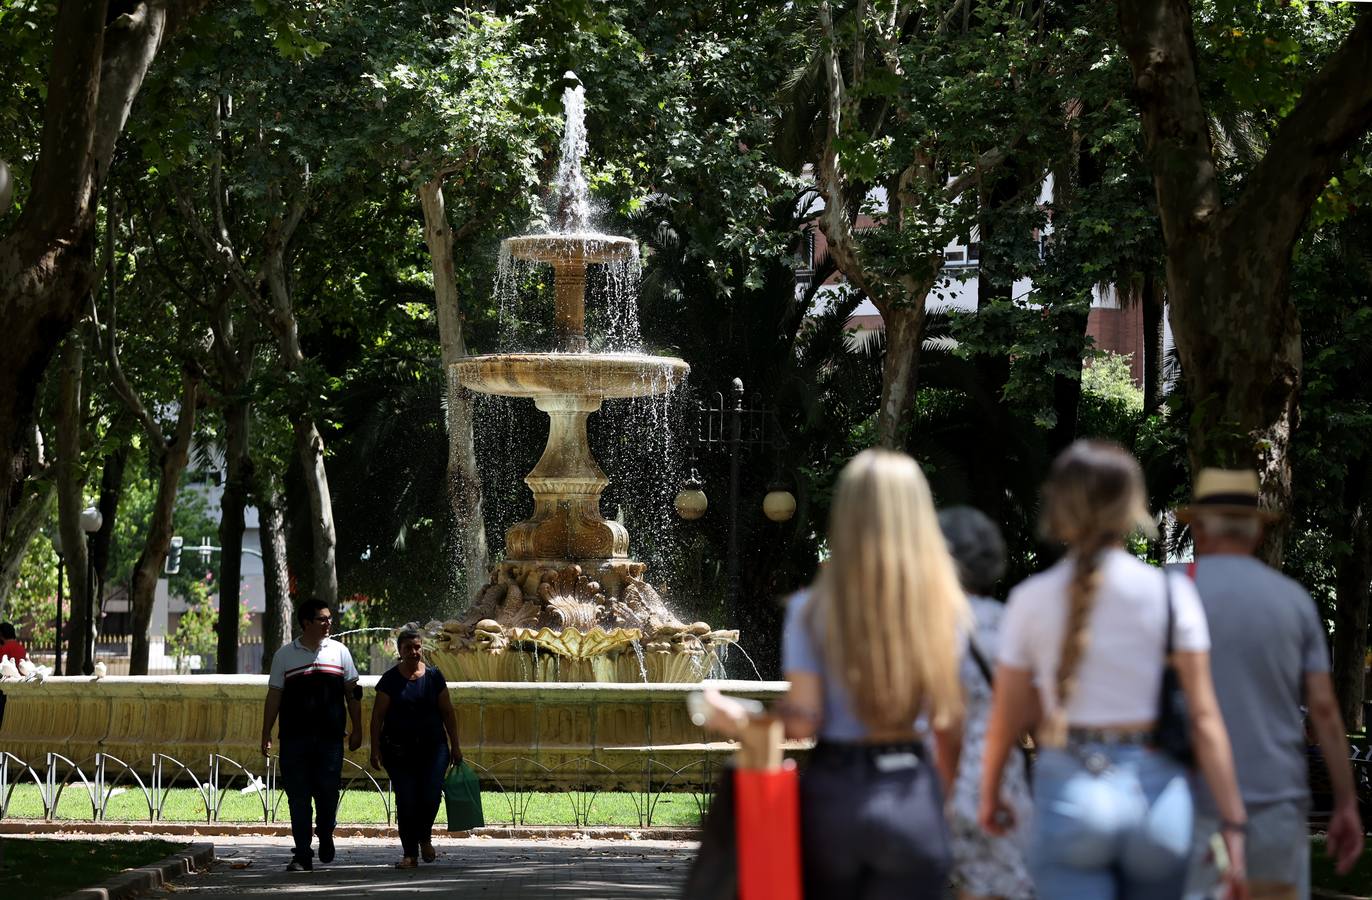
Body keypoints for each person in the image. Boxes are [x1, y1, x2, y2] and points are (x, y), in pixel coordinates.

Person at [979, 440, 1249, 899]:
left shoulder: (1029, 601)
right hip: (1158, 797)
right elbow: (1205, 720)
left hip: (1068, 791)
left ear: (1060, 507)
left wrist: (989, 794)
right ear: (1132, 506)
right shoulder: (1172, 596)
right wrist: (1234, 825)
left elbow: (1007, 719)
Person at [701, 448, 969, 898]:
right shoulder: (946, 609)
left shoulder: (814, 609)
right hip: (912, 797)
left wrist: (739, 718)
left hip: (837, 798)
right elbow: (950, 724)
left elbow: (804, 718)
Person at [1177, 469, 1363, 900]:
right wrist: (1346, 801)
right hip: (1276, 803)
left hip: (1190, 800)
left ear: (1199, 528)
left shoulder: (1171, 593)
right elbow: (1324, 710)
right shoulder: (1292, 601)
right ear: (1258, 532)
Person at [939, 507, 1034, 900]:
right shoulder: (1012, 623)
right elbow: (1035, 718)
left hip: (947, 779)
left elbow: (943, 723)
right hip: (1006, 783)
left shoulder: (928, 631)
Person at [262, 598, 363, 873]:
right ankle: (303, 854)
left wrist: (358, 728)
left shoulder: (340, 652)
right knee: (298, 797)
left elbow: (353, 692)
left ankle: (326, 832)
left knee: (328, 793)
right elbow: (274, 696)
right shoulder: (284, 655)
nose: (329, 623)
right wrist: (266, 732)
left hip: (330, 740)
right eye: (323, 619)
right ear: (306, 623)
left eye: (329, 618)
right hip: (294, 739)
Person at [370, 627, 462, 869]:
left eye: (418, 647)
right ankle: (410, 853)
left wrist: (456, 745)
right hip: (398, 751)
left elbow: (448, 713)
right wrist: (375, 748)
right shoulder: (390, 680)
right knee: (407, 799)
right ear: (399, 651)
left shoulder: (434, 677)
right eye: (408, 648)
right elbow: (377, 717)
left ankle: (424, 836)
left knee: (431, 796)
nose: (414, 652)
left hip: (434, 749)